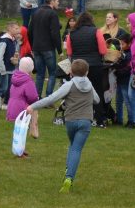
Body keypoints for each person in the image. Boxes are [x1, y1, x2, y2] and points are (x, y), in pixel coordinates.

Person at [29, 59, 99, 193]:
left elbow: (51, 99)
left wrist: (32, 106)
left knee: (72, 147)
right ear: (87, 72)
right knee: (76, 149)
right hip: (85, 121)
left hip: (71, 121)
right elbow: (97, 99)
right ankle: (69, 177)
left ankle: (68, 171)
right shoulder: (89, 85)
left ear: (71, 72)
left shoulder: (69, 85)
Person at [29, 0, 62, 98]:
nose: (58, 2)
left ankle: (37, 96)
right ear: (52, 2)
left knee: (40, 74)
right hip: (48, 48)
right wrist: (60, 50)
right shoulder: (52, 14)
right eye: (57, 1)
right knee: (52, 73)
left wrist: (32, 47)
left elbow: (29, 32)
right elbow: (55, 34)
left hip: (37, 48)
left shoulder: (36, 13)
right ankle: (49, 97)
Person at [5, 56, 40, 148]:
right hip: (22, 109)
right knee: (22, 132)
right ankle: (20, 150)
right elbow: (32, 97)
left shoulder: (15, 78)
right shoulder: (28, 81)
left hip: (12, 106)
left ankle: (18, 149)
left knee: (18, 130)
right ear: (30, 69)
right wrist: (37, 98)